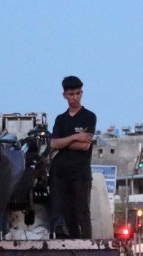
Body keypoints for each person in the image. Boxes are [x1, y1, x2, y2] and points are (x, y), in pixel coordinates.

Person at [49, 75, 96, 240]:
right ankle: (74, 246)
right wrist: (75, 137)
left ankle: (87, 246)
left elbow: (85, 145)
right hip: (62, 173)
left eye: (77, 93)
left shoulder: (89, 116)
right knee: (68, 213)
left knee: (82, 211)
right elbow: (53, 144)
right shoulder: (60, 119)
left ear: (81, 93)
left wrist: (64, 141)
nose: (74, 97)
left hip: (81, 173)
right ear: (65, 95)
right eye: (71, 94)